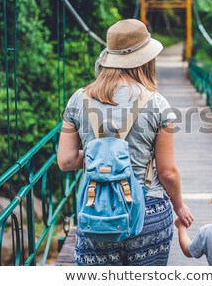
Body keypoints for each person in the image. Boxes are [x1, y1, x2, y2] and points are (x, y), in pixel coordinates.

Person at [57, 19, 193, 265]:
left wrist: (100, 158)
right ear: (146, 59)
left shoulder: (78, 99)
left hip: (96, 209)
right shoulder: (157, 103)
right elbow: (167, 172)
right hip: (147, 211)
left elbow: (66, 161)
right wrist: (180, 206)